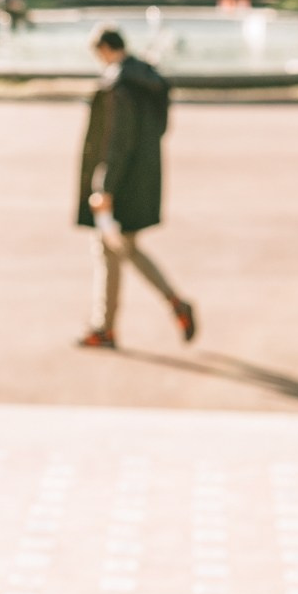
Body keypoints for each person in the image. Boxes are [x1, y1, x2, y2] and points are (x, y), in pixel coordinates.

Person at [75, 25, 195, 350]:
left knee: (119, 248)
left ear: (104, 50)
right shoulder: (147, 77)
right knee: (114, 248)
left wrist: (105, 188)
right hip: (143, 178)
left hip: (121, 182)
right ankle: (106, 327)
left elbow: (117, 141)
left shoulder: (121, 84)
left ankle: (172, 303)